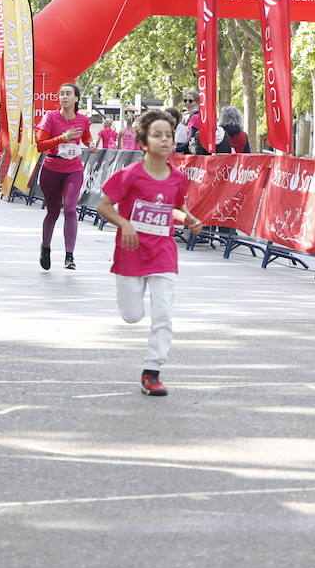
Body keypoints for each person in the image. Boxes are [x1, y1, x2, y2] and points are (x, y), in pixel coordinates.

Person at [96, 109, 203, 397]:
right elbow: (104, 206)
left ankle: (152, 371)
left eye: (168, 135)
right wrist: (125, 224)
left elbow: (176, 210)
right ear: (144, 143)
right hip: (131, 252)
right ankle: (132, 309)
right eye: (158, 135)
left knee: (164, 313)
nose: (165, 140)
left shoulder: (178, 178)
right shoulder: (130, 175)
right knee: (132, 316)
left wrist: (190, 219)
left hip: (163, 253)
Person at [35, 82, 92, 270]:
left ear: (76, 98)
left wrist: (90, 143)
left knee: (69, 209)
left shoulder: (83, 120)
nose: (64, 97)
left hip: (73, 169)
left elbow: (86, 136)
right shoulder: (50, 117)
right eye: (61, 94)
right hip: (51, 169)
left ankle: (69, 256)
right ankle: (46, 248)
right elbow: (40, 145)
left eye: (68, 94)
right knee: (53, 212)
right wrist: (63, 138)